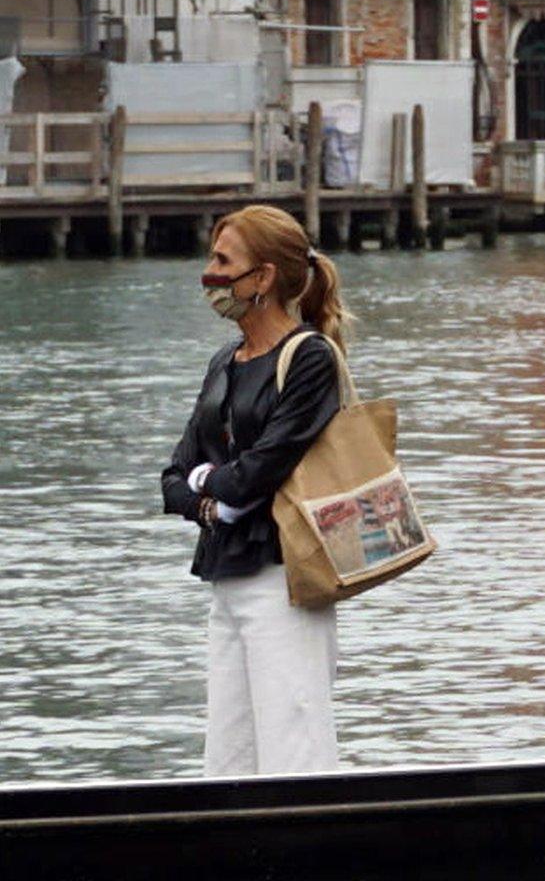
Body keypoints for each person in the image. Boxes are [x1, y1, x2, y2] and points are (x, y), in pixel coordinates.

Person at [161, 205, 352, 773]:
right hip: (226, 573)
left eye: (223, 261)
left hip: (284, 576)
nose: (210, 275)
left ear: (263, 277)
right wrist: (210, 494)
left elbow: (261, 469)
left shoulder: (310, 357)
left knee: (295, 746)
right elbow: (173, 476)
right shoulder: (224, 360)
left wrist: (211, 487)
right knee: (227, 758)